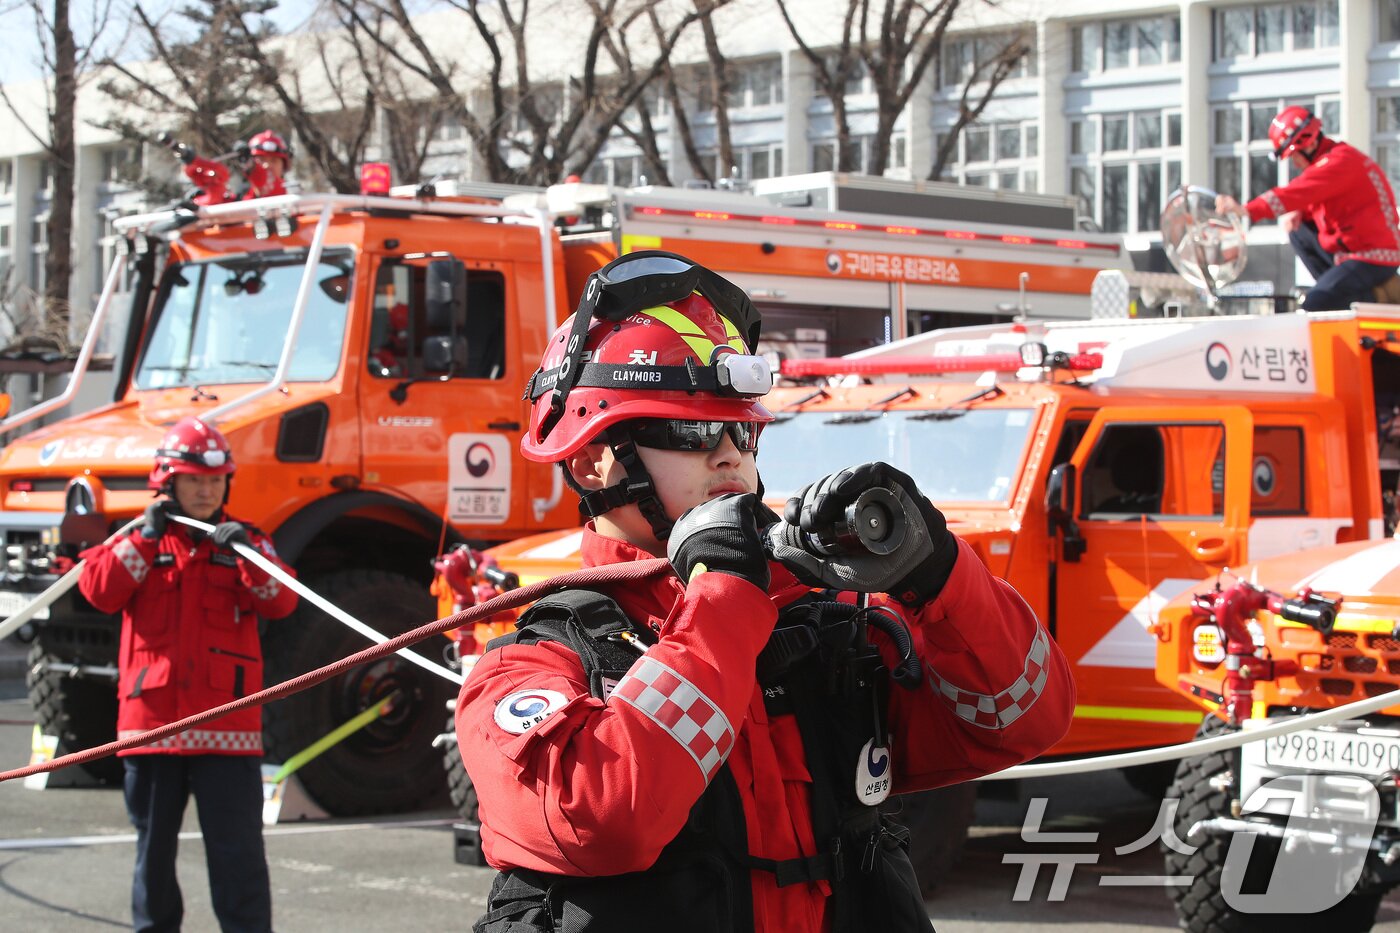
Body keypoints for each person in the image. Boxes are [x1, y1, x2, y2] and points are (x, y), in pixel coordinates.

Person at [456, 251, 1074, 932]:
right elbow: (605, 819)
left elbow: (1026, 719)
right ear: (590, 458)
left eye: (742, 430)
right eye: (691, 431)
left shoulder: (822, 627)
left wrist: (940, 575)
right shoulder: (527, 669)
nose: (729, 456)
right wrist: (719, 597)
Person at [78, 417, 298, 933]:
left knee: (239, 861)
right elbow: (97, 592)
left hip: (229, 735)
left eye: (214, 481)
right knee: (152, 863)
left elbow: (282, 602)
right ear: (168, 481)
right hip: (151, 732)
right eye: (194, 479)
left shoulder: (247, 543)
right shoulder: (137, 540)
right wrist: (142, 539)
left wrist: (248, 553)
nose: (205, 490)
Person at [1216, 106, 1400, 311]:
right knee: (1298, 230)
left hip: (1372, 257)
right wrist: (1301, 213)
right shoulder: (1334, 161)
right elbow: (1326, 201)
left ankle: (1373, 297)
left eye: (1294, 155)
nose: (1295, 163)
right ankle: (1340, 295)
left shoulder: (1338, 162)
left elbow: (1296, 192)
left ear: (1309, 143)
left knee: (1316, 303)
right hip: (1351, 252)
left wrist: (1246, 210)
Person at [175, 130, 293, 206]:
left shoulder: (292, 196)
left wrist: (250, 165)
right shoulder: (242, 200)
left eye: (274, 160)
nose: (267, 165)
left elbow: (266, 183)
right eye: (261, 160)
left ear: (284, 165)